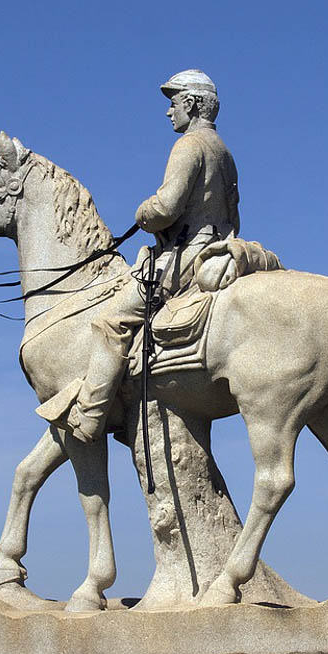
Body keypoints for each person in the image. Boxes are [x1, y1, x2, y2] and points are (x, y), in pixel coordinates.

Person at [56, 69, 240, 442]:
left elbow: (167, 206)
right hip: (218, 248)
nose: (169, 112)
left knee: (110, 322)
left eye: (173, 103)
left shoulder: (190, 145)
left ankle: (91, 415)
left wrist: (144, 212)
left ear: (190, 103)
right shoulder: (224, 153)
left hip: (184, 258)